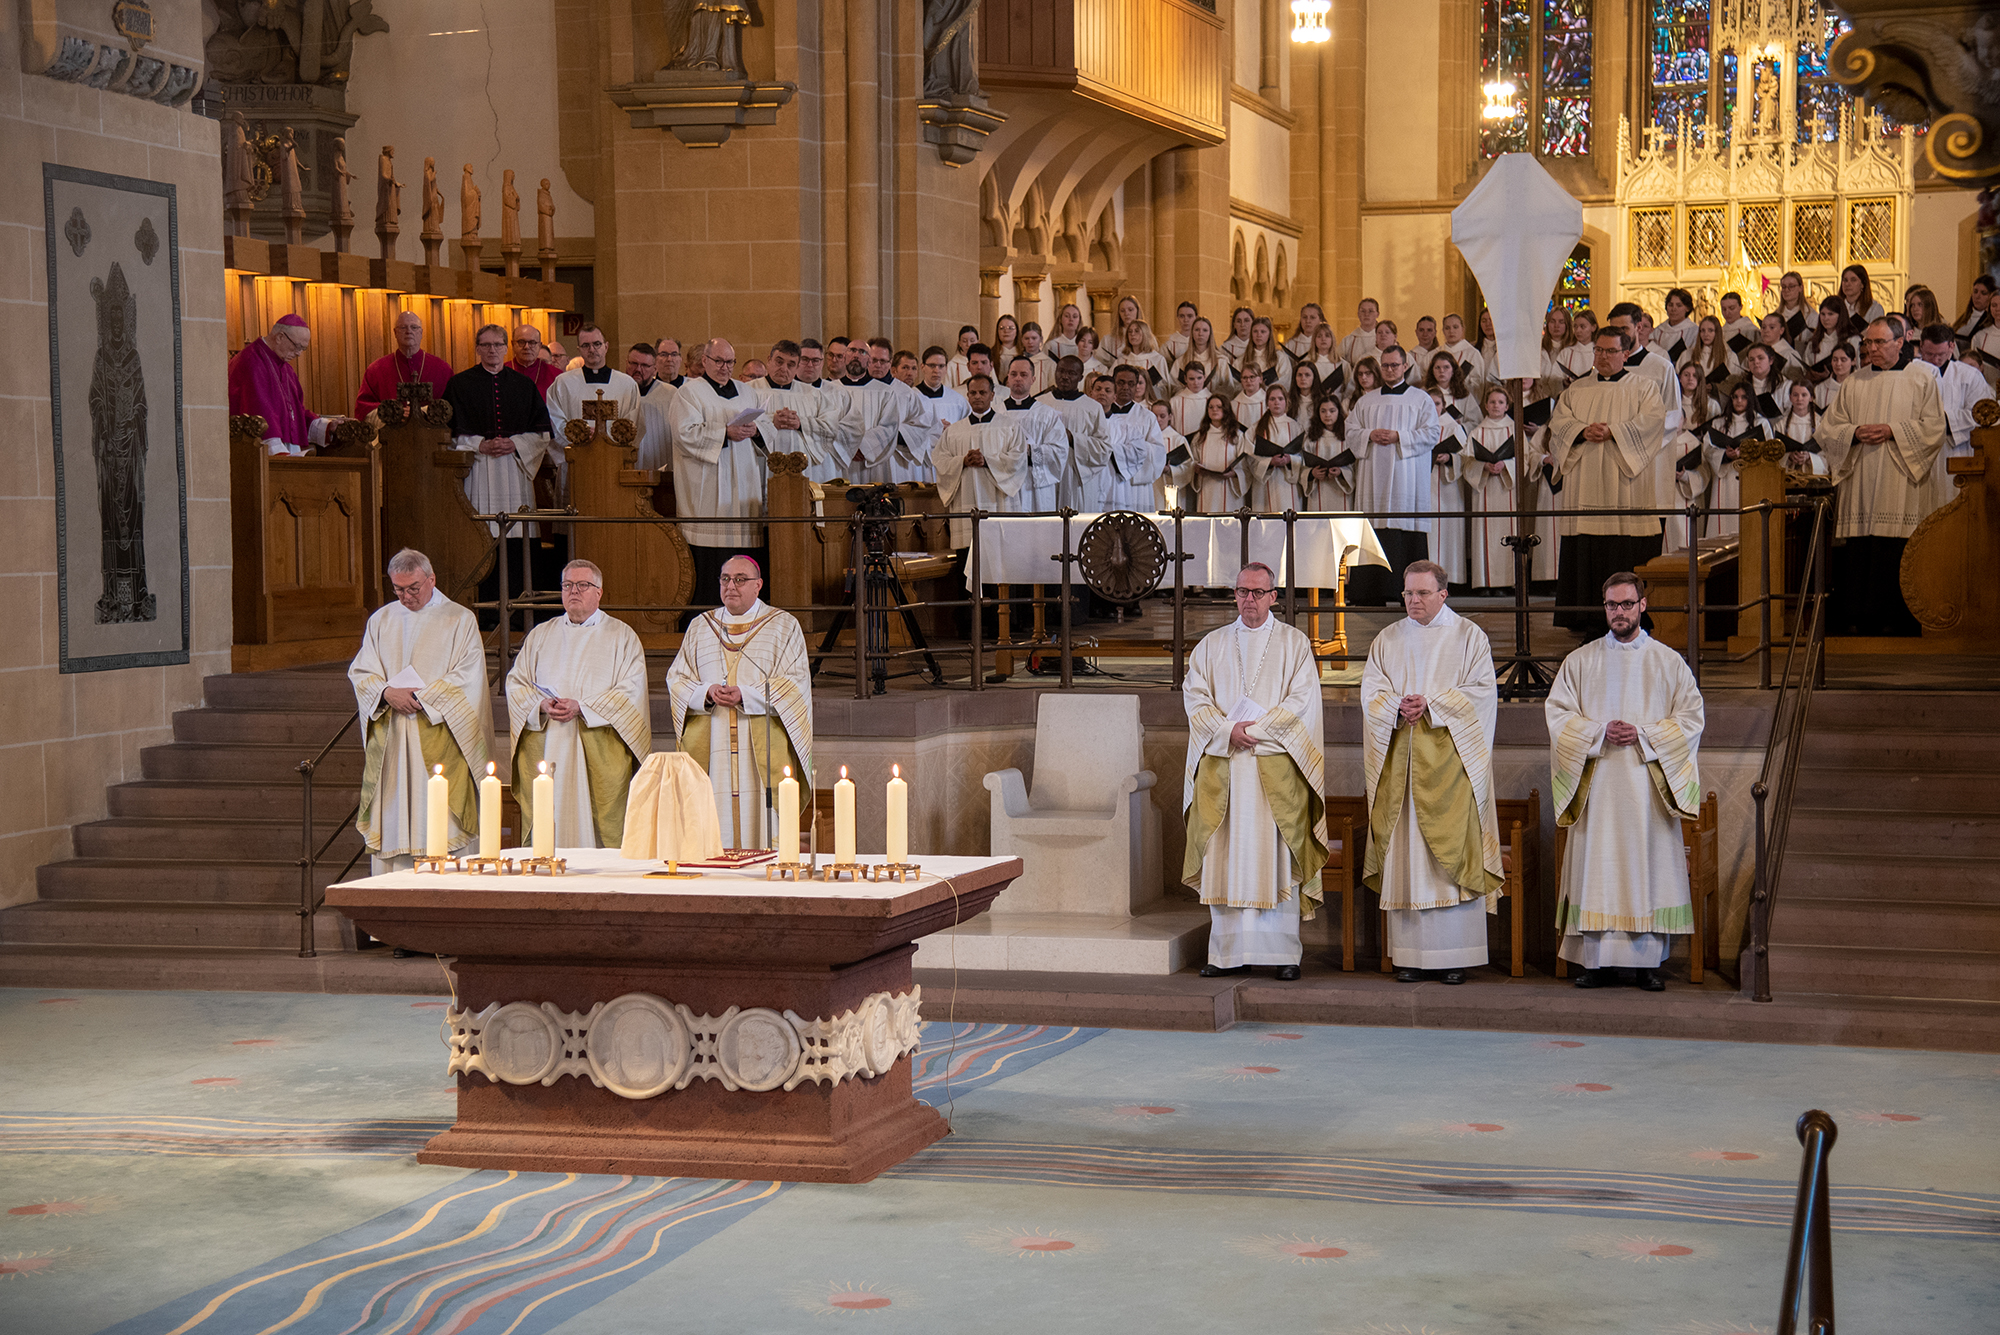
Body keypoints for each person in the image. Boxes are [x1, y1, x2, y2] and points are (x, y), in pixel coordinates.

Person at [1547, 572, 1705, 991]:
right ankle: (1594, 963)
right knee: (1598, 869)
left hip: (1646, 792)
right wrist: (1599, 732)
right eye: (1612, 605)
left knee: (1646, 871)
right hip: (1598, 790)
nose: (1619, 612)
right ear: (1604, 608)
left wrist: (1645, 735)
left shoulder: (1668, 662)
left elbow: (1691, 719)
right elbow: (1558, 715)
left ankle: (1647, 965)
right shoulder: (1580, 662)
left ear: (1642, 605)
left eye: (1627, 604)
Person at [1182, 562, 1328, 981]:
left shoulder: (1294, 644)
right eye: (1242, 591)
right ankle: (1226, 954)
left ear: (1273, 597)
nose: (1250, 599)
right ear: (1234, 595)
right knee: (1225, 857)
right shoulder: (1211, 645)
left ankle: (1283, 955)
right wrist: (1228, 731)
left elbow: (1302, 701)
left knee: (1276, 856)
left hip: (1275, 773)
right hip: (1223, 770)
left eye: (1258, 592)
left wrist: (1255, 732)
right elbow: (1195, 698)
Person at [1361, 560, 1502, 983]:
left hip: (1452, 770)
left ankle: (1454, 957)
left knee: (1449, 860)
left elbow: (1482, 694)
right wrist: (1396, 706)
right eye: (1407, 593)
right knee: (1408, 859)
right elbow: (1372, 692)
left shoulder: (1469, 637)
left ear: (1443, 594)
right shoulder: (1388, 639)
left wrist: (1433, 706)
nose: (1413, 601)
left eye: (1422, 593)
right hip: (1404, 769)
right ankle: (1410, 956)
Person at [347, 549, 491, 875]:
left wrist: (421, 698)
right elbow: (362, 671)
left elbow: (469, 676)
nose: (406, 596)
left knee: (441, 824)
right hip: (394, 741)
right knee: (394, 820)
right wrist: (386, 693)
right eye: (398, 589)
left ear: (431, 580)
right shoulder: (382, 620)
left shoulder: (459, 619)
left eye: (413, 588)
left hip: (440, 734)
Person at [664, 555, 814, 848]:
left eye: (740, 579)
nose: (731, 585)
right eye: (725, 579)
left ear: (758, 585)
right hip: (713, 743)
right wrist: (707, 693)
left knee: (764, 826)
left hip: (762, 746)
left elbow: (795, 684)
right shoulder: (701, 626)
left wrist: (746, 695)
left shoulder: (783, 626)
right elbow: (677, 679)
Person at [1813, 318, 1948, 636]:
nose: (1871, 348)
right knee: (1861, 549)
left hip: (1902, 478)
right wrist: (1854, 432)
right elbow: (1828, 428)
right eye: (1867, 343)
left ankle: (1898, 620)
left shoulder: (1922, 378)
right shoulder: (1854, 382)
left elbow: (1934, 428)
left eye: (1879, 342)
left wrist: (1893, 430)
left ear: (1900, 342)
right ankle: (1858, 617)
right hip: (1861, 478)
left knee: (1896, 550)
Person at [504, 559, 651, 849]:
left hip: (598, 747)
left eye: (583, 585)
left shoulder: (622, 636)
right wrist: (542, 704)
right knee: (548, 823)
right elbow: (516, 683)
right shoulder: (541, 635)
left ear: (599, 592)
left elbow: (631, 691)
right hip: (548, 741)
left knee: (603, 825)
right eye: (568, 585)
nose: (574, 591)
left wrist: (583, 707)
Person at [1543, 326, 1667, 632]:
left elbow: (1653, 423)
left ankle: (1629, 620)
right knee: (1586, 552)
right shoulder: (1576, 389)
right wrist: (1581, 431)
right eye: (1598, 350)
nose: (1602, 356)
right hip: (1584, 480)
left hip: (1624, 484)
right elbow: (1558, 423)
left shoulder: (1644, 387)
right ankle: (1587, 621)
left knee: (1621, 551)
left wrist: (1614, 432)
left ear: (1625, 354)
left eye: (1610, 351)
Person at [442, 325, 556, 569]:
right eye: (486, 345)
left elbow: (542, 434)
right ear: (477, 349)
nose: (492, 350)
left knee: (517, 537)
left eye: (497, 344)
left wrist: (515, 443)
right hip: (478, 469)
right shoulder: (459, 384)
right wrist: (479, 445)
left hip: (514, 468)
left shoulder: (524, 385)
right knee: (480, 532)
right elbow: (446, 434)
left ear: (506, 348)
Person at [671, 338, 771, 616]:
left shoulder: (747, 392)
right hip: (708, 491)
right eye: (718, 361)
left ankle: (747, 616)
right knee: (710, 567)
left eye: (730, 362)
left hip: (744, 489)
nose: (725, 367)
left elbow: (767, 428)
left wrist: (756, 430)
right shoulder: (688, 393)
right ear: (704, 361)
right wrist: (725, 433)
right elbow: (684, 434)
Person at [1344, 345, 1440, 605]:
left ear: (1405, 366)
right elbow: (1350, 431)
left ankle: (1411, 592)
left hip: (1407, 480)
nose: (1389, 370)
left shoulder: (1420, 399)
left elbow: (1433, 433)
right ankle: (1369, 593)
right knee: (1375, 530)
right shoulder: (1366, 401)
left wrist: (1400, 436)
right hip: (1373, 480)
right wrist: (1369, 434)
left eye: (1394, 365)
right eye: (1385, 365)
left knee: (1404, 534)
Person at [228, 315, 352, 455]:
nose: (298, 353)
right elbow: (259, 414)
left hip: (287, 453)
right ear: (280, 337)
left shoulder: (286, 369)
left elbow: (295, 414)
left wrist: (327, 426)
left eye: (303, 349)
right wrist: (281, 456)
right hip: (261, 454)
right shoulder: (252, 362)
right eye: (297, 346)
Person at [546, 324, 640, 451]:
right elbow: (554, 420)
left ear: (606, 347)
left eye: (597, 344)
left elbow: (633, 422)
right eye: (585, 345)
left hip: (614, 454)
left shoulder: (626, 384)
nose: (591, 349)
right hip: (577, 454)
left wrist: (605, 438)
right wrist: (579, 436)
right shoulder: (563, 383)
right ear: (579, 350)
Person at [994, 356, 1069, 511]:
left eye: (1023, 375)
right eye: (1013, 374)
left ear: (1033, 379)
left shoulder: (1047, 414)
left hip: (1036, 487)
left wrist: (1031, 450)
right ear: (1008, 378)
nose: (1018, 378)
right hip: (1005, 483)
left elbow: (1060, 450)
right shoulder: (996, 413)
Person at [1039, 354, 1113, 511]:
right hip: (1045, 473)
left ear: (1080, 377)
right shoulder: (1040, 403)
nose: (1065, 376)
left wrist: (1073, 438)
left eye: (1071, 373)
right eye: (1061, 371)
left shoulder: (1092, 407)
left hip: (1075, 475)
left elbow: (1104, 448)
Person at [1464, 387, 1520, 595]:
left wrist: (1507, 465)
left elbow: (1526, 459)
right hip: (1484, 489)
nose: (1496, 406)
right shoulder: (1477, 432)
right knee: (1484, 534)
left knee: (1508, 531)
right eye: (1492, 402)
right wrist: (1483, 466)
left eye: (1500, 402)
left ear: (1507, 406)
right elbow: (1467, 463)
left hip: (1507, 489)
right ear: (1486, 406)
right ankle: (1484, 582)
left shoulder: (1515, 430)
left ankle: (1506, 582)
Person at [355, 310, 453, 417]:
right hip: (391, 427)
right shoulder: (376, 370)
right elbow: (363, 408)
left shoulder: (442, 369)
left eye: (414, 327)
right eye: (403, 327)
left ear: (421, 333)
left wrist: (423, 412)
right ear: (395, 332)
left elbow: (452, 407)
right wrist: (394, 412)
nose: (408, 331)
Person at [1102, 365, 1168, 512]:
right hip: (1107, 482)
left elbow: (1158, 453)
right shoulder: (1100, 414)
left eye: (1131, 384)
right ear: (1113, 383)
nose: (1126, 387)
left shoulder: (1147, 417)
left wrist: (1126, 452)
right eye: (1121, 383)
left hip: (1136, 487)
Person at [626, 342, 675, 473]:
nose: (638, 369)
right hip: (626, 468)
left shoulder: (670, 394)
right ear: (626, 363)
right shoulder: (619, 392)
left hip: (661, 468)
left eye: (644, 365)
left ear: (655, 369)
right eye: (634, 364)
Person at [509, 325, 561, 395]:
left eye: (532, 342)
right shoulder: (501, 371)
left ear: (539, 346)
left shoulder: (556, 375)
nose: (526, 347)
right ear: (513, 344)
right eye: (521, 342)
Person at [1337, 298, 1382, 367]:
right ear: (1358, 314)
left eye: (1370, 311)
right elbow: (1337, 363)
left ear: (1377, 314)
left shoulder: (1384, 338)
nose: (1366, 314)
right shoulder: (1348, 341)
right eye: (1363, 311)